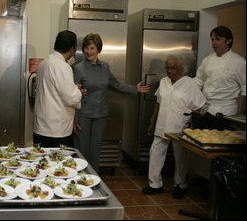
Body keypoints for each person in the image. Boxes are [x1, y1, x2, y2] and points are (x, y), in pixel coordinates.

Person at [72, 33, 149, 173]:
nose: (88, 51)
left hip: (100, 114)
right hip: (83, 115)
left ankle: (94, 178)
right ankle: (80, 178)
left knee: (96, 148)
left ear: (98, 49)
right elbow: (73, 95)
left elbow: (116, 84)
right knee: (83, 149)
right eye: (86, 48)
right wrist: (74, 119)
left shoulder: (105, 67)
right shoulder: (78, 68)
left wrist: (135, 89)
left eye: (92, 48)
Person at [142, 56, 206, 199]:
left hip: (180, 127)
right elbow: (158, 102)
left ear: (180, 69)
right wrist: (152, 122)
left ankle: (180, 184)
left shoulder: (190, 83)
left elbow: (200, 107)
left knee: (181, 157)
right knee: (155, 153)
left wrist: (189, 122)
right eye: (168, 68)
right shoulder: (164, 82)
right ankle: (155, 184)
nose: (169, 71)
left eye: (173, 68)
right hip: (162, 124)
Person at [33, 30, 86, 148]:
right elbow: (71, 98)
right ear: (72, 48)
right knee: (58, 165)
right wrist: (77, 92)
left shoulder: (44, 64)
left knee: (42, 163)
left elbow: (53, 90)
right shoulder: (63, 66)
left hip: (41, 128)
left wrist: (73, 89)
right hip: (56, 131)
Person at [194, 26, 246, 118]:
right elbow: (198, 81)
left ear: (228, 41)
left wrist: (242, 113)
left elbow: (245, 88)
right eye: (212, 39)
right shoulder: (207, 60)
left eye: (218, 39)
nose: (214, 43)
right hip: (206, 108)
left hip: (226, 110)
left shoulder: (239, 62)